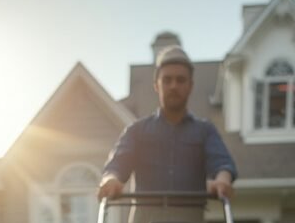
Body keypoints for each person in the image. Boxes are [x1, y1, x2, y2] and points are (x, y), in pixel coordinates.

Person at [98, 45, 237, 204]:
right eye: (167, 80)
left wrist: (222, 180)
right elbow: (116, 166)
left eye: (180, 80)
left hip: (190, 219)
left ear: (190, 86)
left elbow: (222, 164)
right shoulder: (136, 131)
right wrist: (111, 180)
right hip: (145, 219)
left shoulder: (206, 131)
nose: (173, 86)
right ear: (156, 85)